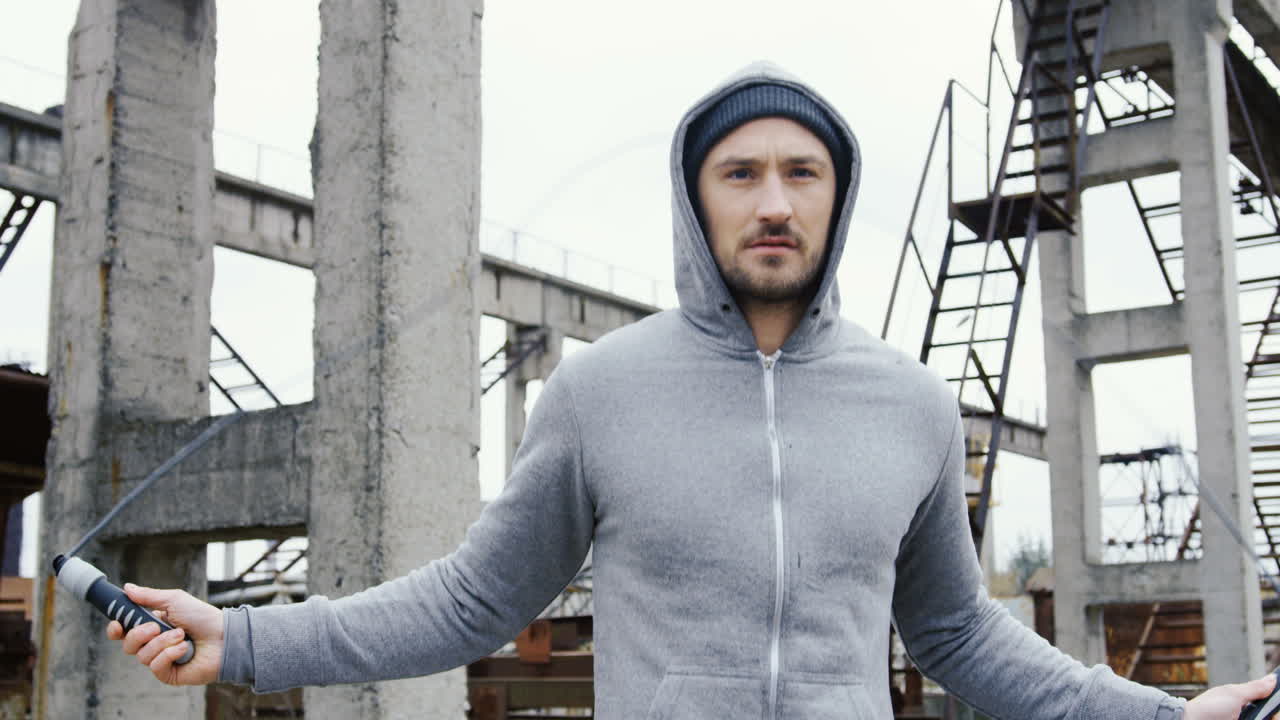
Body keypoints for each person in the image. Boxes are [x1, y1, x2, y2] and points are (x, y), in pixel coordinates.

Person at [110, 62, 1275, 719]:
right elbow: (468, 604)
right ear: (696, 197)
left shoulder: (913, 404)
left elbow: (962, 636)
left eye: (800, 173)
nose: (772, 201)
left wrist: (1165, 718)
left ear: (834, 197)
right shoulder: (599, 393)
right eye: (740, 173)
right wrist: (248, 643)